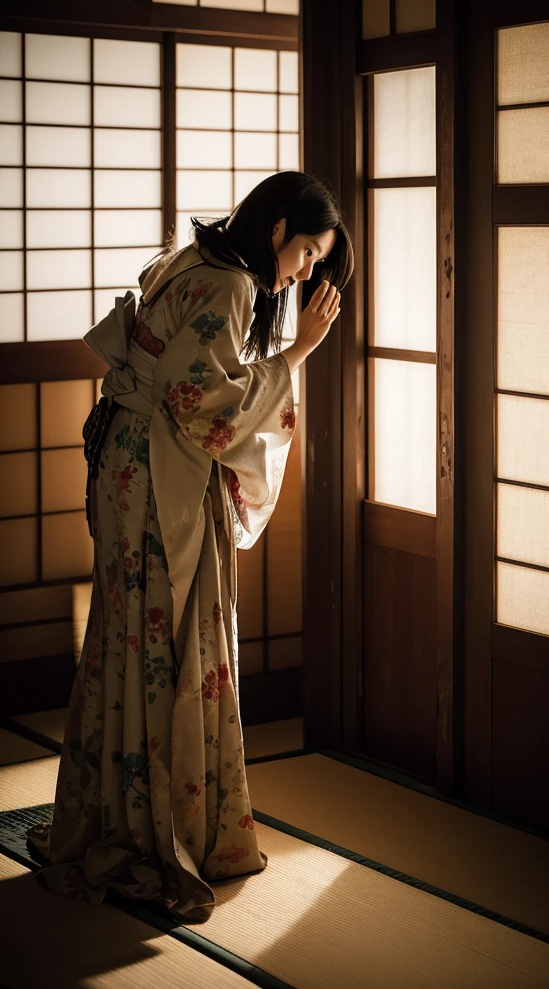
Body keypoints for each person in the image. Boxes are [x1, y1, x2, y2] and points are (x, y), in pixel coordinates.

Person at [27, 170, 354, 924]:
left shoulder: (191, 255)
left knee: (124, 633)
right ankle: (152, 833)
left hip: (123, 462)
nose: (306, 272)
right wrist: (299, 351)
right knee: (171, 638)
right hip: (155, 475)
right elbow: (201, 405)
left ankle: (110, 812)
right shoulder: (232, 287)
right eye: (307, 253)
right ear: (277, 230)